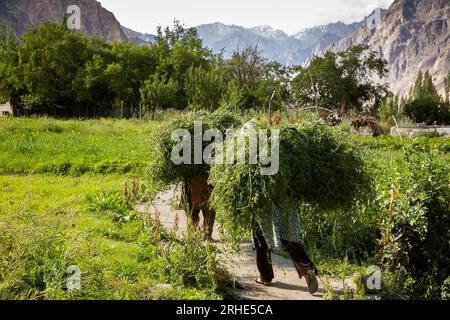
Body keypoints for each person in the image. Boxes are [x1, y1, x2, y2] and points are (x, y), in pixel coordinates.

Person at [252, 206, 319, 295]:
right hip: (286, 201)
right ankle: (307, 268)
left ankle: (265, 276)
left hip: (265, 204)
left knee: (260, 236)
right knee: (289, 238)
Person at [182, 174, 216, 240]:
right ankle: (204, 235)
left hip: (200, 181)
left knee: (206, 210)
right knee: (207, 211)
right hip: (201, 181)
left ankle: (196, 234)